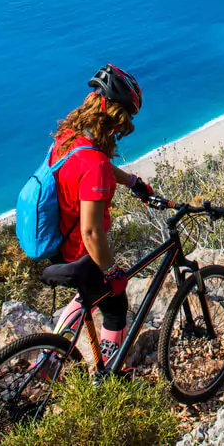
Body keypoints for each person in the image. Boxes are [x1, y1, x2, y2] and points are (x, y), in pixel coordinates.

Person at [50, 63, 153, 362]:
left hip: (60, 242)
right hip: (81, 251)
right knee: (115, 305)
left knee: (87, 296)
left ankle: (48, 356)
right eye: (124, 122)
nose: (123, 131)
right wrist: (112, 272)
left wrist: (130, 181)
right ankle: (111, 373)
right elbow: (92, 232)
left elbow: (88, 163)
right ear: (113, 119)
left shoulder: (68, 137)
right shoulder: (94, 165)